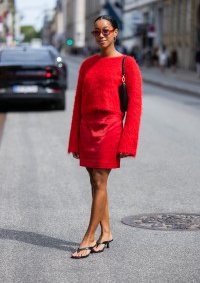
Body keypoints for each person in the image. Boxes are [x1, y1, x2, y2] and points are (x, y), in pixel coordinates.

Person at [68, 15, 142, 259]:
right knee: (95, 182)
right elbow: (78, 103)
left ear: (116, 32)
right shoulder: (87, 64)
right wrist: (75, 140)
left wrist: (128, 141)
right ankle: (106, 231)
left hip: (110, 127)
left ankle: (89, 236)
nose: (101, 35)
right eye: (96, 32)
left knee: (100, 180)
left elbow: (135, 107)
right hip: (87, 128)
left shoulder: (127, 64)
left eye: (106, 31)